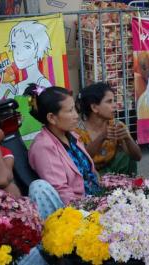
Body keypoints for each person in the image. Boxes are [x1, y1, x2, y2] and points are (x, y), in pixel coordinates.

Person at [26, 84, 101, 215]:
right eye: (70, 110)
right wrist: (90, 213)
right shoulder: (43, 146)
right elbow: (61, 191)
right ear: (52, 118)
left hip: (96, 200)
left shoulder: (72, 136)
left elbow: (91, 172)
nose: (76, 115)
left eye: (75, 109)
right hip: (77, 210)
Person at [75, 82, 142, 176]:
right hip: (89, 175)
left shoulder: (116, 125)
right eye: (109, 101)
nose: (115, 105)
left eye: (114, 101)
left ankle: (128, 187)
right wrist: (102, 136)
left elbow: (137, 157)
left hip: (112, 171)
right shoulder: (77, 131)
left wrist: (127, 139)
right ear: (94, 107)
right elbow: (82, 160)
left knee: (127, 155)